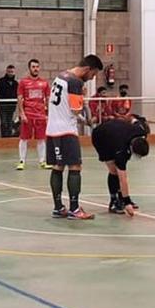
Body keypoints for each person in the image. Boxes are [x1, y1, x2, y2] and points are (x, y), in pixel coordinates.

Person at [46, 54, 103, 220]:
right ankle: (74, 208)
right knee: (75, 167)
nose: (91, 78)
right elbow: (76, 110)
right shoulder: (75, 82)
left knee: (57, 167)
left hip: (52, 130)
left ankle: (58, 207)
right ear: (87, 69)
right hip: (67, 131)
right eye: (92, 75)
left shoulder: (61, 76)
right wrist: (84, 105)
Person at [92, 115, 150, 216]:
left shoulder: (141, 130)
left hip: (117, 131)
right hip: (101, 137)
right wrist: (127, 202)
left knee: (119, 168)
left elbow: (134, 118)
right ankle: (114, 201)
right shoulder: (121, 149)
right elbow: (123, 178)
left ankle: (121, 197)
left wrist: (127, 119)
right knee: (114, 170)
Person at [15, 59, 51, 170]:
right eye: (33, 67)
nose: (35, 69)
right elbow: (20, 98)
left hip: (40, 115)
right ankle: (22, 161)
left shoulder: (44, 83)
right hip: (28, 115)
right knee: (24, 138)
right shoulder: (23, 82)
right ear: (29, 68)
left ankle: (42, 161)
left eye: (37, 67)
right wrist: (22, 113)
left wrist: (48, 114)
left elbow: (48, 99)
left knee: (41, 139)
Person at [0, 65, 18, 138]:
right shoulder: (1, 81)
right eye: (9, 72)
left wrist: (13, 101)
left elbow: (17, 94)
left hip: (11, 106)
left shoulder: (16, 83)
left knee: (9, 122)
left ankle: (9, 138)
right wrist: (6, 98)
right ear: (6, 72)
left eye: (12, 72)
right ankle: (4, 138)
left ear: (14, 72)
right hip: (2, 106)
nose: (10, 73)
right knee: (4, 122)